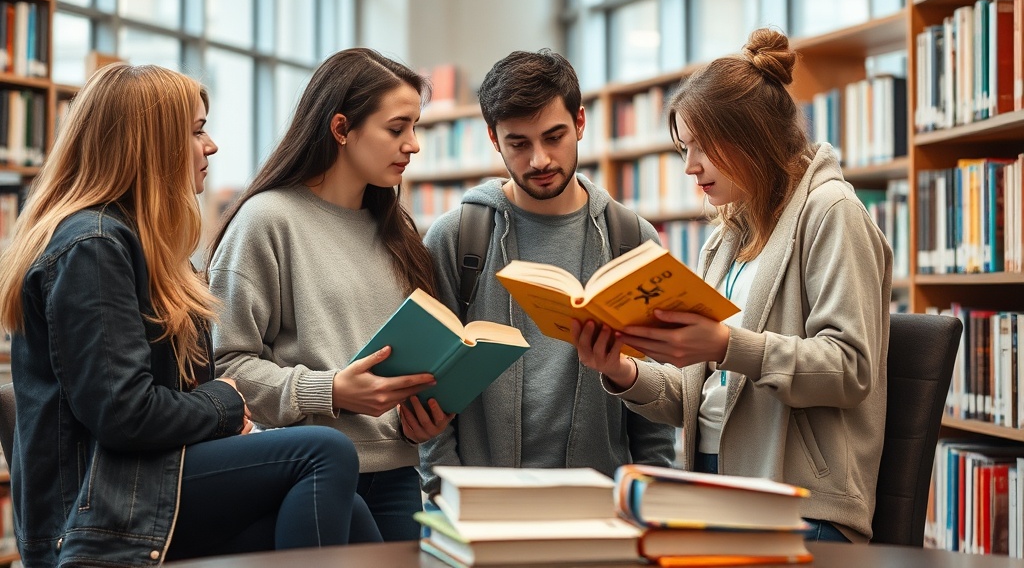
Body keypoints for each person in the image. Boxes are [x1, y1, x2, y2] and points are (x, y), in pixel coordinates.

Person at [0, 64, 378, 568]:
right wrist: (225, 404)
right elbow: (124, 414)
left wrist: (219, 413)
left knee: (347, 508)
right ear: (148, 145)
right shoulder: (93, 246)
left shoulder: (143, 247)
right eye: (198, 131)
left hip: (143, 486)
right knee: (324, 453)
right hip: (102, 510)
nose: (211, 146)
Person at [572, 28, 892, 543]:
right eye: (684, 148)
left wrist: (726, 344)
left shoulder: (833, 213)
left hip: (800, 503)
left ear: (753, 136)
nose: (690, 166)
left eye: (703, 146)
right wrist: (622, 370)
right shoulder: (725, 240)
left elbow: (850, 368)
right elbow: (697, 396)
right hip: (717, 487)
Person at [208, 47, 450, 542]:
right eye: (396, 128)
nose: (412, 145)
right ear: (341, 128)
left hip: (399, 471)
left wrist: (418, 420)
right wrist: (331, 390)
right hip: (309, 476)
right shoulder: (266, 221)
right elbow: (225, 367)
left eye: (414, 127)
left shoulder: (397, 234)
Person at [418, 49, 676, 498]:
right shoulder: (456, 238)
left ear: (580, 122)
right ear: (494, 139)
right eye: (519, 144)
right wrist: (444, 490)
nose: (539, 160)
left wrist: (651, 496)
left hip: (600, 504)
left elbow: (652, 394)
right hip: (478, 503)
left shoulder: (633, 239)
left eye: (554, 137)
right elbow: (427, 382)